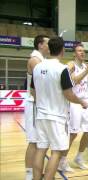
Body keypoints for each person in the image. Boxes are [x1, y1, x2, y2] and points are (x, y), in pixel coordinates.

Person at [31, 37, 88, 180]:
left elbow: (33, 91)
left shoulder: (38, 67)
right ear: (63, 50)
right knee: (56, 151)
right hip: (57, 117)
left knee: (40, 149)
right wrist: (81, 102)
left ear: (49, 49)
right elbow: (68, 94)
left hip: (41, 115)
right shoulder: (63, 69)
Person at [58, 43, 88, 171]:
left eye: (83, 51)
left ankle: (79, 157)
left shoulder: (86, 66)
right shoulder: (71, 65)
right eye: (79, 51)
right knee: (73, 133)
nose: (82, 53)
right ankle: (62, 161)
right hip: (74, 101)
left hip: (86, 102)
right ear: (74, 53)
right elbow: (72, 81)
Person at [24, 34, 49, 180]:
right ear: (40, 45)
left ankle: (36, 173)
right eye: (47, 43)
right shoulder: (35, 60)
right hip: (34, 103)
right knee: (33, 141)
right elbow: (39, 86)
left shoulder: (42, 60)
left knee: (40, 141)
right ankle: (28, 175)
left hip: (41, 104)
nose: (49, 45)